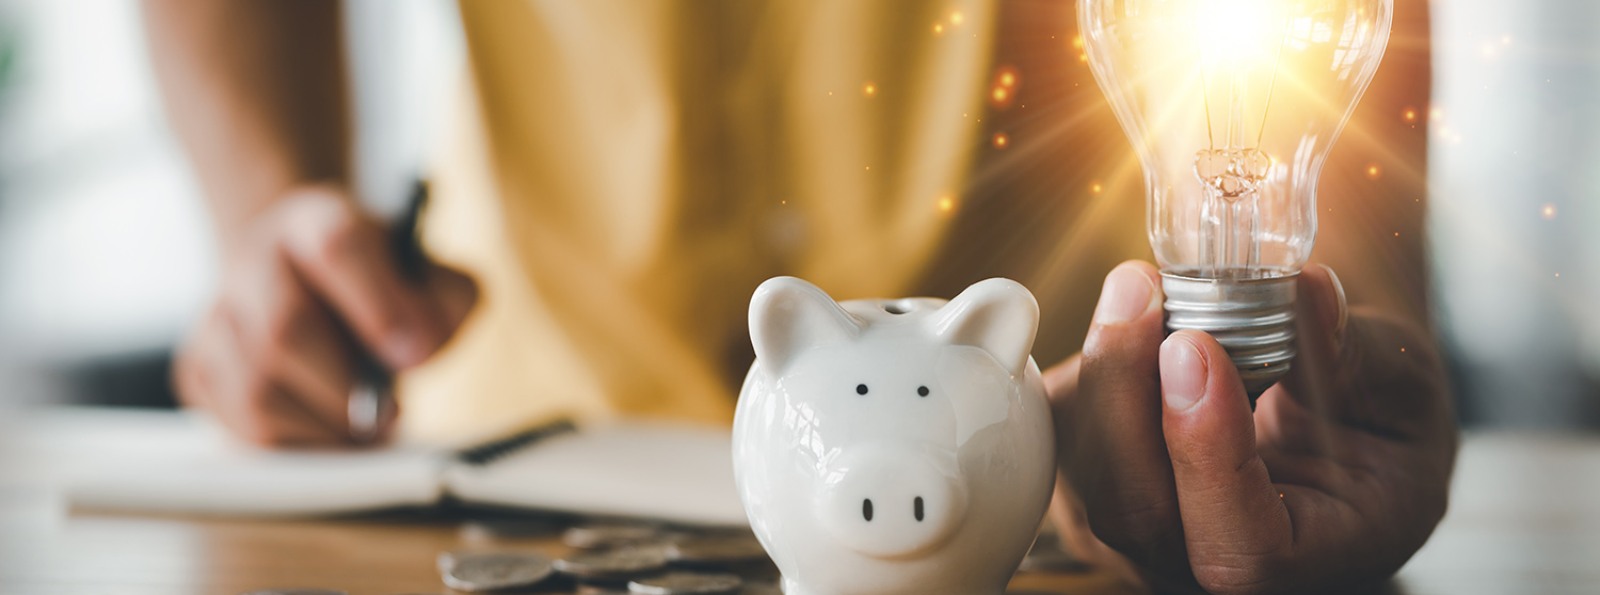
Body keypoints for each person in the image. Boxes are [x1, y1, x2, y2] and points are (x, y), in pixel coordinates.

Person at [143, 1, 1456, 592]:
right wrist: (271, 206)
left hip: (1078, 467)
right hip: (517, 431)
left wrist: (1321, 360)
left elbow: (1296, 39)